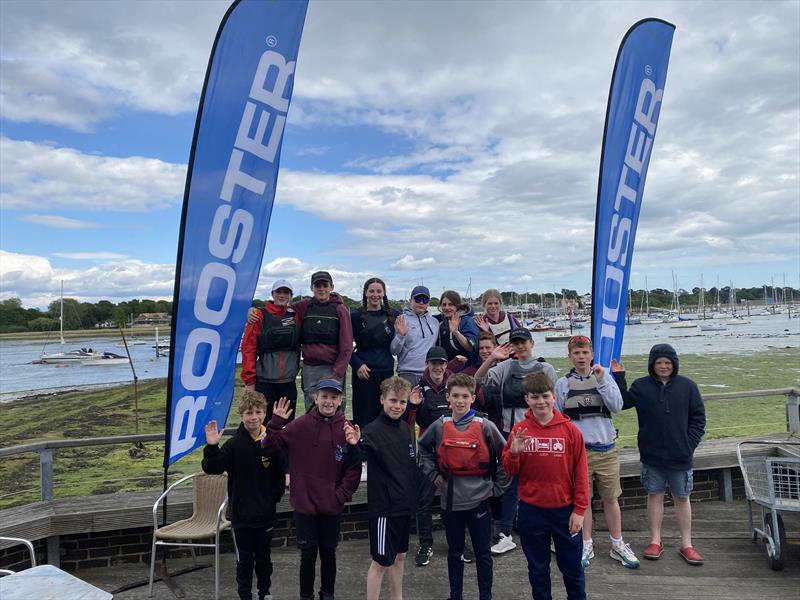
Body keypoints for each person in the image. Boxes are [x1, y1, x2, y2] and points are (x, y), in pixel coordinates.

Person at [262, 380, 361, 600]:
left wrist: (341, 496)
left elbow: (353, 469)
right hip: (304, 504)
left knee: (328, 554)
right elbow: (269, 447)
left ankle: (328, 594)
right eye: (324, 396)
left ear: (340, 400)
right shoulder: (300, 425)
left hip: (332, 505)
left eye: (333, 397)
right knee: (307, 555)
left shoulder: (346, 428)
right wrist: (276, 423)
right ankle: (305, 596)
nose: (329, 401)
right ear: (315, 398)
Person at [611, 343, 706, 566]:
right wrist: (619, 377)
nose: (663, 366)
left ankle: (687, 544)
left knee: (682, 498)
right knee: (654, 496)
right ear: (652, 365)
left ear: (674, 364)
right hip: (651, 455)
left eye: (667, 362)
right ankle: (655, 540)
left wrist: (688, 444)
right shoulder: (641, 386)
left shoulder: (688, 386)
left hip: (681, 456)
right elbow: (622, 403)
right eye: (659, 362)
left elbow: (699, 418)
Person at [418, 373, 510, 600]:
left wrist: (497, 488)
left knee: (482, 554)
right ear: (448, 398)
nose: (460, 401)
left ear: (472, 398)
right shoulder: (439, 426)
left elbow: (506, 457)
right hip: (451, 501)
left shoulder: (485, 426)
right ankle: (455, 595)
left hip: (479, 500)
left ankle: (485, 596)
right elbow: (423, 451)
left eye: (465, 396)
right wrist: (433, 475)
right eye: (455, 396)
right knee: (455, 553)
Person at [554, 336, 639, 569]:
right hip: (578, 453)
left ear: (592, 354)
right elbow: (558, 417)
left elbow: (616, 406)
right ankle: (586, 543)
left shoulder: (605, 378)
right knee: (584, 501)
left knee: (611, 498)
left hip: (606, 450)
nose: (581, 357)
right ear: (570, 356)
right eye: (576, 353)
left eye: (585, 352)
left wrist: (602, 380)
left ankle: (617, 543)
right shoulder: (562, 384)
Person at [502, 372, 589, 600]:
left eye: (545, 396)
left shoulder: (571, 431)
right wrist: (514, 453)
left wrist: (580, 511)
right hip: (532, 511)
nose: (541, 402)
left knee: (572, 571)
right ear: (526, 399)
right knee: (538, 570)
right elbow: (510, 470)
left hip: (565, 511)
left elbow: (580, 474)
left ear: (554, 397)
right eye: (535, 397)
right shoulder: (520, 430)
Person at [474, 328, 557, 555]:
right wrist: (492, 358)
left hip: (540, 433)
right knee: (511, 485)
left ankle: (548, 531)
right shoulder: (505, 367)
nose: (520, 347)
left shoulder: (545, 368)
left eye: (523, 342)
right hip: (512, 433)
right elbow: (477, 382)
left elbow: (554, 404)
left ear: (531, 343)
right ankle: (505, 533)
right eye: (516, 343)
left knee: (543, 482)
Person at [201, 390, 285, 600]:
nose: (253, 417)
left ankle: (265, 592)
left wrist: (272, 499)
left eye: (257, 412)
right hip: (241, 517)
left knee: (264, 559)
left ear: (264, 414)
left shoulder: (272, 442)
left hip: (265, 514)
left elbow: (279, 475)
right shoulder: (234, 445)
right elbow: (213, 468)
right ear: (241, 416)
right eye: (248, 413)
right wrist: (212, 446)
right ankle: (245, 594)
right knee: (244, 560)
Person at [342, 376, 417, 600]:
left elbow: (410, 466)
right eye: (393, 400)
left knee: (400, 556)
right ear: (382, 399)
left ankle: (397, 597)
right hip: (384, 509)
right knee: (380, 562)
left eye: (402, 402)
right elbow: (357, 457)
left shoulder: (406, 429)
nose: (397, 406)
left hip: (404, 505)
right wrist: (354, 445)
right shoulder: (372, 431)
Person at [406, 345, 454, 567]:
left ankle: (459, 544)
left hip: (453, 450)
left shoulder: (454, 385)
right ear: (427, 364)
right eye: (433, 363)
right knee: (423, 502)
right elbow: (406, 423)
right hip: (427, 453)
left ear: (446, 365)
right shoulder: (418, 388)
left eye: (441, 363)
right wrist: (412, 406)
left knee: (455, 500)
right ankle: (426, 544)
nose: (438, 367)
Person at [294, 271, 354, 411]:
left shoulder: (340, 310)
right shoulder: (304, 307)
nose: (321, 289)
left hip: (333, 368)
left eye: (325, 285)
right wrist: (255, 311)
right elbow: (281, 308)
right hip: (310, 369)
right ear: (312, 288)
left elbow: (347, 346)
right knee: (311, 407)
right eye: (317, 285)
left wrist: (338, 372)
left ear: (331, 287)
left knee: (334, 408)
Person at [241, 279, 300, 420]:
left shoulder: (295, 315)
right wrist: (249, 381)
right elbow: (248, 348)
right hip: (264, 383)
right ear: (272, 294)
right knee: (262, 424)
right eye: (279, 292)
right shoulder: (259, 315)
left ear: (291, 296)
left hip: (288, 382)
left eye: (286, 292)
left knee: (286, 425)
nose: (282, 295)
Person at [350, 277, 399, 428]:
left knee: (384, 412)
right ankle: (362, 447)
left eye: (379, 291)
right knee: (364, 414)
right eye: (371, 291)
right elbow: (345, 345)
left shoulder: (394, 315)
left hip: (386, 370)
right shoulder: (355, 316)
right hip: (364, 372)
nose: (375, 295)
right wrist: (357, 364)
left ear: (384, 293)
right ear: (365, 293)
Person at [390, 285, 440, 387]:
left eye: (425, 299)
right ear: (410, 300)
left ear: (428, 303)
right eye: (417, 299)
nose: (421, 302)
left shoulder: (435, 323)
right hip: (406, 373)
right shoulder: (401, 320)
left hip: (429, 374)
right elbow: (393, 351)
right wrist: (401, 335)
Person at [436, 290, 480, 364]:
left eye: (450, 304)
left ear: (457, 306)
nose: (447, 308)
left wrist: (456, 332)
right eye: (444, 305)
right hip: (448, 368)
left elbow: (473, 345)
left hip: (466, 368)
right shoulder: (442, 322)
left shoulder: (467, 321)